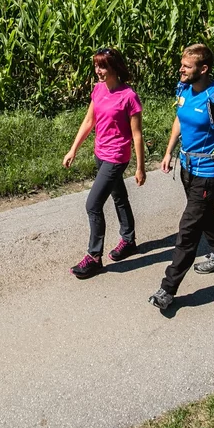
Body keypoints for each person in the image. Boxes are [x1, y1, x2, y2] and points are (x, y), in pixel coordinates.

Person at [149, 44, 214, 310]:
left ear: (203, 69)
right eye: (182, 64)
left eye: (187, 66)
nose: (181, 69)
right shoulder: (184, 88)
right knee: (204, 214)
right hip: (187, 167)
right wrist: (169, 151)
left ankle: (167, 289)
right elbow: (179, 118)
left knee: (188, 230)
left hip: (210, 173)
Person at [63, 48, 146, 279]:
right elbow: (89, 121)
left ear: (114, 68)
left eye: (102, 66)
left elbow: (137, 134)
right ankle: (129, 240)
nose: (98, 71)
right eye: (96, 66)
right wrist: (73, 149)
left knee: (92, 205)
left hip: (116, 157)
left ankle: (94, 257)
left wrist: (140, 167)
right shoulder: (98, 89)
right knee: (119, 196)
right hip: (100, 153)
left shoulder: (129, 96)